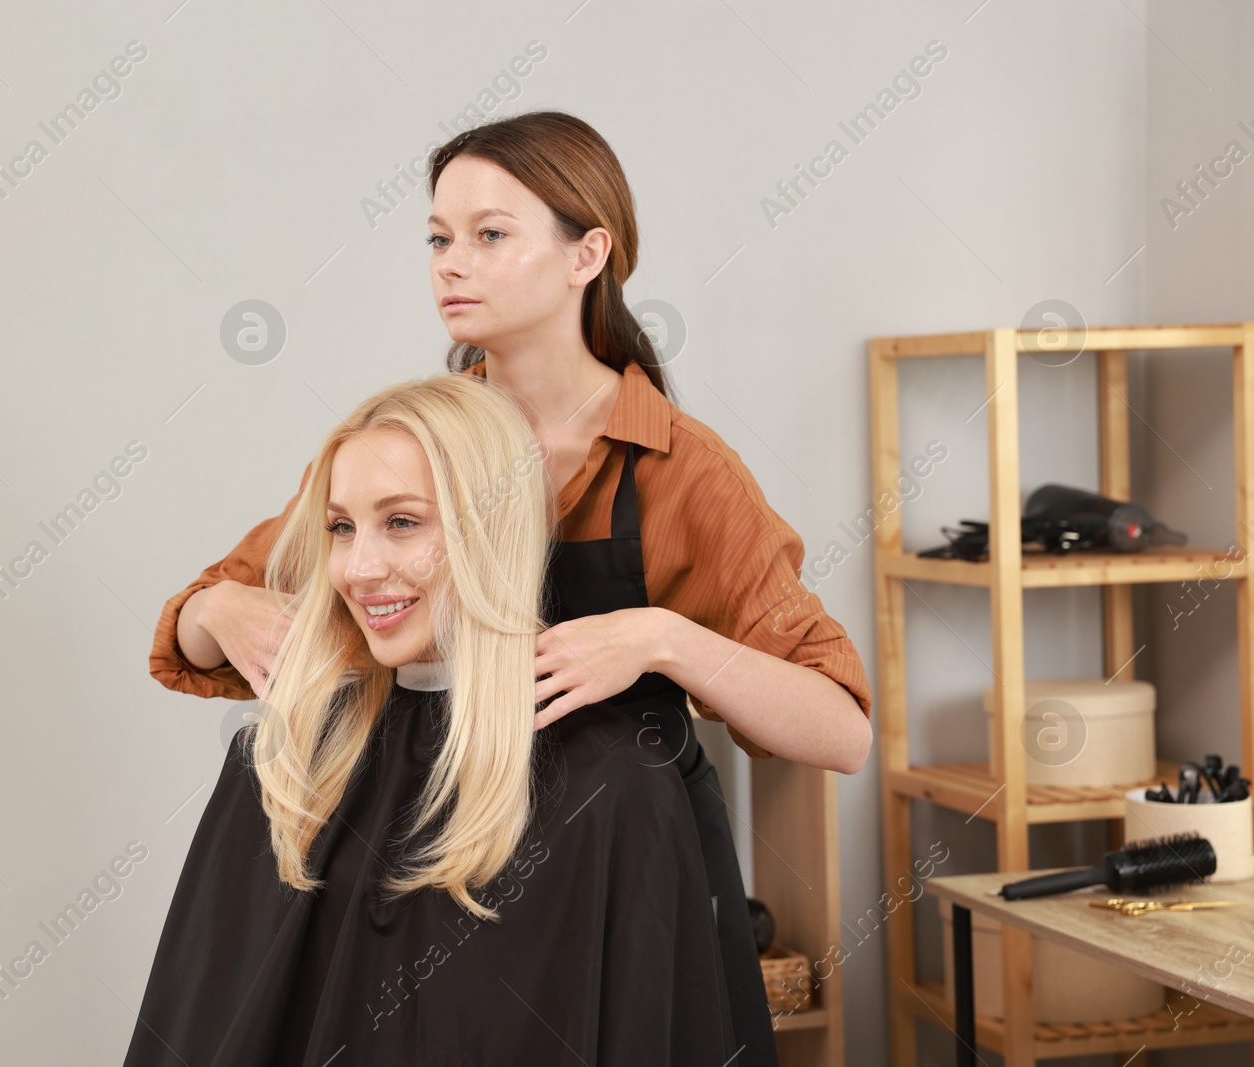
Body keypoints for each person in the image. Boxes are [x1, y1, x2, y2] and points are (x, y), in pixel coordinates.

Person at [152, 111, 874, 1066]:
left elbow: (840, 729)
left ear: (590, 253)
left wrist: (662, 639)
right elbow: (198, 632)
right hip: (428, 844)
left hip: (604, 862)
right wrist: (218, 607)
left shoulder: (678, 470)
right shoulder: (416, 439)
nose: (452, 264)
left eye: (490, 236)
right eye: (439, 239)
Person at [123, 374, 736, 1064]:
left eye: (403, 522)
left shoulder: (613, 784)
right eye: (341, 527)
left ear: (491, 530)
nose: (358, 567)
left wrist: (667, 639)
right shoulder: (282, 761)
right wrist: (211, 606)